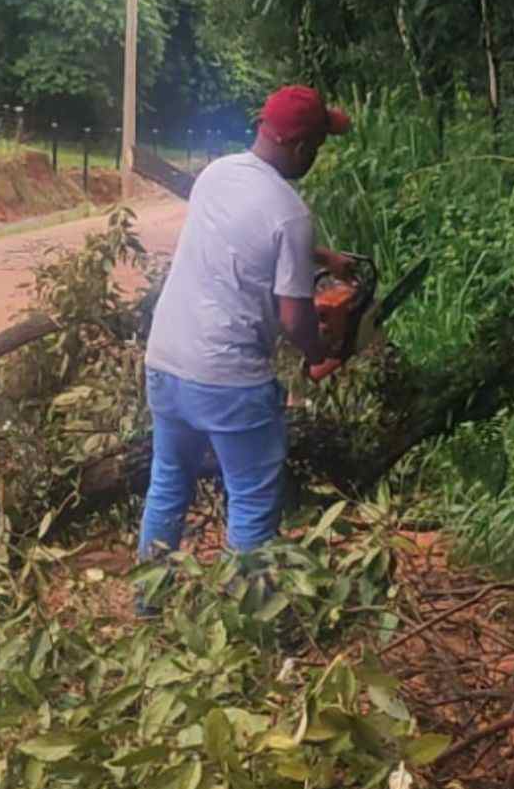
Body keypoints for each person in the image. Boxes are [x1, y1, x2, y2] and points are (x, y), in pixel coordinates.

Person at [135, 85, 354, 613]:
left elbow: (244, 234)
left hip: (166, 361)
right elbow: (294, 317)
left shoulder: (217, 173)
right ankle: (246, 623)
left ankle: (148, 605)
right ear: (300, 147)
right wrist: (320, 353)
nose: (317, 154)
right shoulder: (290, 213)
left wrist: (322, 257)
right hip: (227, 379)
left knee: (168, 482)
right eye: (318, 144)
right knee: (252, 499)